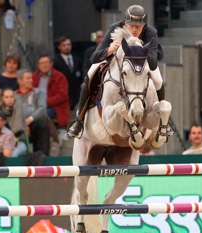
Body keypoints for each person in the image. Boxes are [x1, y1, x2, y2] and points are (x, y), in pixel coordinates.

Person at [68, 4, 164, 138]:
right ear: (125, 23)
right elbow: (94, 57)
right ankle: (79, 119)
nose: (135, 29)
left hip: (142, 65)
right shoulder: (115, 28)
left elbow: (153, 64)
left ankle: (162, 120)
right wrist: (110, 49)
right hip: (115, 62)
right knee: (90, 73)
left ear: (144, 25)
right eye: (131, 25)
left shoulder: (151, 33)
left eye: (139, 26)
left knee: (158, 80)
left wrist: (140, 48)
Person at [14, 69, 49, 155]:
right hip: (17, 125)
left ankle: (42, 155)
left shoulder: (38, 92)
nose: (31, 80)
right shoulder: (13, 95)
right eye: (28, 78)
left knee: (42, 126)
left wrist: (29, 120)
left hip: (34, 123)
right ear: (20, 80)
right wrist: (22, 124)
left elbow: (42, 109)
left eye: (31, 78)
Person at [32, 54, 70, 128]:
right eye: (42, 63)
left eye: (46, 62)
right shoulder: (33, 77)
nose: (44, 65)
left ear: (51, 64)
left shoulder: (60, 77)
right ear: (38, 65)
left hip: (54, 106)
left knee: (41, 115)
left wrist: (45, 102)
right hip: (35, 105)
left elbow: (62, 95)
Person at [0, 88, 27, 157]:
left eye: (11, 97)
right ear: (2, 98)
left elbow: (19, 129)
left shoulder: (19, 107)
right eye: (7, 97)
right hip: (1, 140)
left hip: (19, 141)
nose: (9, 99)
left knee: (12, 154)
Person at [53, 36, 83, 110]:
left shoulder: (77, 60)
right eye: (64, 45)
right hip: (64, 94)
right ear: (59, 47)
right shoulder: (55, 62)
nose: (67, 47)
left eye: (68, 44)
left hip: (77, 93)